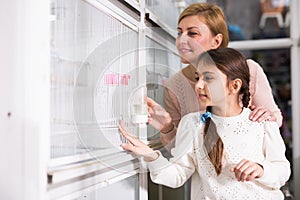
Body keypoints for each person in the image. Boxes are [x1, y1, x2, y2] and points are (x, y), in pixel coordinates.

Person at [120, 48, 291, 200]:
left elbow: (282, 171)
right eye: (197, 78)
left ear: (234, 85)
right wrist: (151, 155)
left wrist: (261, 169)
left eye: (208, 78)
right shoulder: (193, 123)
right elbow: (177, 175)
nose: (199, 85)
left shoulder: (261, 122)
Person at [147, 3, 283, 148]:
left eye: (192, 33)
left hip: (250, 165)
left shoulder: (249, 70)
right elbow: (178, 149)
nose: (181, 40)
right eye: (180, 33)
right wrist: (167, 128)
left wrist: (268, 116)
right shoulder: (174, 86)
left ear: (216, 41)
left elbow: (275, 119)